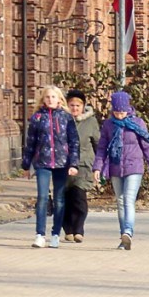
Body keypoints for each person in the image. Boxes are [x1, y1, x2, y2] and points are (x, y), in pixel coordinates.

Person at [92, 91, 149, 250]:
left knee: (129, 199)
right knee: (120, 201)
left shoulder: (137, 123)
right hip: (116, 168)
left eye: (122, 111)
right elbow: (102, 148)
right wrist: (97, 167)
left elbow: (147, 147)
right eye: (116, 112)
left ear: (128, 108)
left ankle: (128, 232)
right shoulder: (109, 125)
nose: (119, 114)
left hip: (134, 167)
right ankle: (124, 239)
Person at [22, 86, 80, 248]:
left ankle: (55, 234)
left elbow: (74, 142)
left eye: (53, 97)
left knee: (59, 199)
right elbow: (30, 142)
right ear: (43, 99)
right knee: (42, 198)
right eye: (47, 97)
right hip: (42, 162)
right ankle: (40, 234)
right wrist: (26, 165)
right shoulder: (37, 118)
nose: (50, 100)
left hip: (62, 163)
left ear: (59, 99)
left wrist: (73, 163)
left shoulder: (66, 118)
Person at [63, 89, 100, 243]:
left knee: (79, 198)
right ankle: (68, 229)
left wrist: (99, 165)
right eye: (72, 105)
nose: (75, 108)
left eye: (78, 105)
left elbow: (97, 143)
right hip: (64, 165)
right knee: (65, 199)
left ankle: (79, 229)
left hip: (84, 165)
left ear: (83, 106)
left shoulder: (91, 122)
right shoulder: (62, 120)